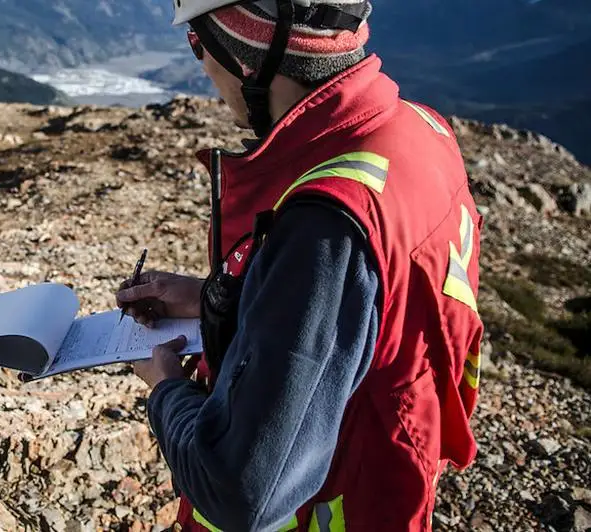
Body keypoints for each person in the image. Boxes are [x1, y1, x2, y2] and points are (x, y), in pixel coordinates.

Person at [116, 1, 485, 530]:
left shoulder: (326, 223)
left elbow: (240, 491)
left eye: (199, 42)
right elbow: (372, 313)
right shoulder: (419, 130)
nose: (203, 67)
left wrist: (167, 388)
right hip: (389, 474)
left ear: (249, 53)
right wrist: (218, 298)